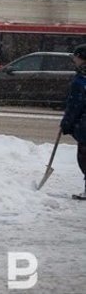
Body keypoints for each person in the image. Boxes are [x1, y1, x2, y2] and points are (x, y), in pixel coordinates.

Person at [60, 44, 86, 199]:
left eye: (75, 57)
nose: (74, 60)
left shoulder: (80, 81)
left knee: (84, 158)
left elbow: (75, 105)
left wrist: (66, 123)